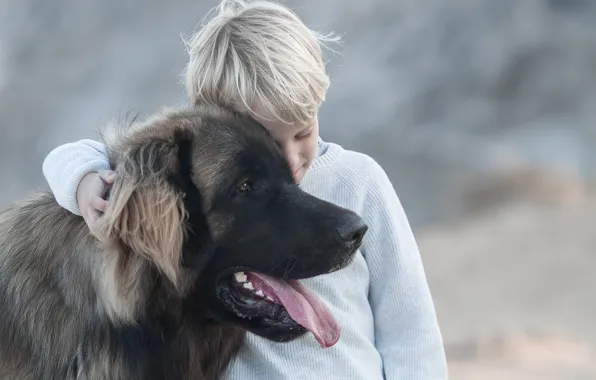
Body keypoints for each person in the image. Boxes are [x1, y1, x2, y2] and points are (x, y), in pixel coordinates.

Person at [42, 0, 448, 378]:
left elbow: (411, 329)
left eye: (303, 132)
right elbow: (89, 154)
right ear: (218, 122)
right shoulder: (199, 162)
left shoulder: (360, 179)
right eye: (267, 143)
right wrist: (85, 179)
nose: (290, 160)